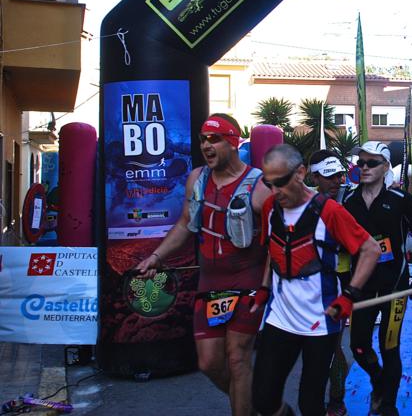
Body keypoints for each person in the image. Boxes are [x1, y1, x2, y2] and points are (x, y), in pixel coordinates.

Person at [135, 113, 270, 416]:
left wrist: (265, 285)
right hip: (210, 281)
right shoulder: (197, 178)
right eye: (203, 139)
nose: (206, 145)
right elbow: (185, 224)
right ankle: (255, 404)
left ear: (233, 143)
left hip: (246, 280)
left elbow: (276, 240)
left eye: (215, 139)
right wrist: (156, 257)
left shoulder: (259, 184)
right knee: (209, 363)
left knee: (238, 359)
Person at [253, 144, 381, 416]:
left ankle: (339, 399)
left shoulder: (329, 211)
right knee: (263, 399)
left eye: (280, 182)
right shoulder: (269, 208)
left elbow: (371, 249)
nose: (275, 191)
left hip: (320, 321)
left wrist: (350, 294)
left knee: (310, 404)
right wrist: (264, 287)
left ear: (300, 173)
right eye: (268, 184)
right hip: (280, 317)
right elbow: (274, 250)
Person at [343, 141, 412, 416]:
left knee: (389, 346)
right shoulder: (349, 201)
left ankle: (388, 405)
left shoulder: (400, 200)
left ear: (385, 167)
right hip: (362, 288)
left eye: (372, 163)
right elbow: (343, 248)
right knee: (358, 346)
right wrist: (345, 284)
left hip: (395, 287)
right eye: (361, 163)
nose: (365, 168)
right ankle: (378, 380)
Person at [308, 149, 352, 416]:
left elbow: (366, 244)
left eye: (339, 175)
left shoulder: (350, 200)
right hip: (305, 285)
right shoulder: (302, 202)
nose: (337, 181)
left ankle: (336, 400)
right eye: (329, 176)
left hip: (337, 283)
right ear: (315, 178)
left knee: (331, 346)